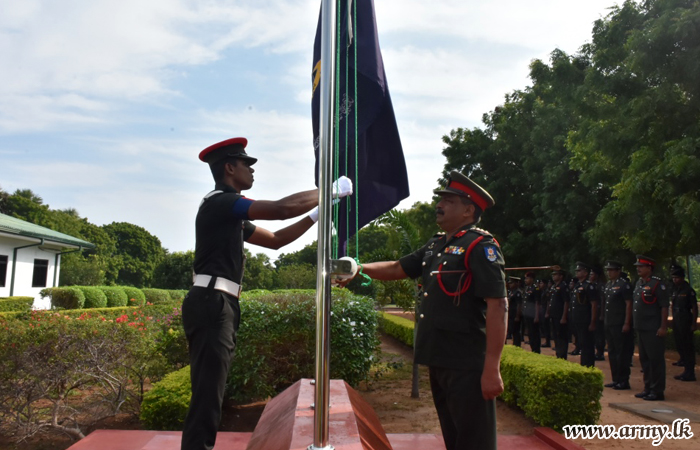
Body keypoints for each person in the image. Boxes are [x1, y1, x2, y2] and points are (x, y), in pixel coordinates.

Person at [180, 137, 352, 450]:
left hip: (220, 302)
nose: (252, 171)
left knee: (210, 393)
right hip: (211, 302)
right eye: (247, 164)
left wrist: (317, 213)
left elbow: (276, 240)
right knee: (207, 396)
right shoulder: (222, 201)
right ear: (230, 168)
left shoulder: (229, 212)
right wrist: (328, 189)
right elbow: (281, 210)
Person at [350, 170, 507, 450]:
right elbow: (399, 267)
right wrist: (358, 269)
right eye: (441, 199)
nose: (440, 205)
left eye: (449, 200)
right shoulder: (436, 244)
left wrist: (492, 368)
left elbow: (498, 304)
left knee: (475, 441)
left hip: (467, 362)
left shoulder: (479, 246)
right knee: (454, 436)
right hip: (439, 357)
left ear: (468, 210)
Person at [632, 255, 669, 401]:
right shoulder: (639, 284)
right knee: (644, 360)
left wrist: (663, 326)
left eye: (641, 266)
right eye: (637, 267)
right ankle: (648, 388)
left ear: (649, 268)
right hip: (641, 328)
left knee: (655, 360)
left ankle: (657, 390)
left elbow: (664, 306)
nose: (638, 269)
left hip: (653, 328)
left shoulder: (657, 284)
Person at [602, 260, 633, 390]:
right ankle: (616, 379)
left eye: (611, 270)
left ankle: (623, 380)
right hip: (610, 322)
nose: (609, 272)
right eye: (608, 270)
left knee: (622, 352)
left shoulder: (624, 285)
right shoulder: (609, 285)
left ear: (618, 271)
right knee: (612, 351)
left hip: (620, 323)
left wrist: (627, 322)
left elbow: (629, 304)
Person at [670, 267, 697, 382]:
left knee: (687, 346)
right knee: (680, 343)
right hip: (677, 319)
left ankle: (690, 372)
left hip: (685, 318)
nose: (675, 280)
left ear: (682, 278)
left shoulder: (688, 290)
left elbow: (694, 308)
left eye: (677, 278)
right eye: (674, 278)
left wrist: (694, 323)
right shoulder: (676, 290)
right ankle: (685, 368)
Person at [570, 262, 599, 367]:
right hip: (578, 319)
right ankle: (584, 365)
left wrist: (592, 322)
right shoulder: (578, 286)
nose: (577, 272)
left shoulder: (589, 286)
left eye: (579, 271)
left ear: (585, 273)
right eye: (576, 271)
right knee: (582, 344)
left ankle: (588, 366)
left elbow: (594, 305)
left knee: (587, 345)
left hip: (586, 320)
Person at [547, 267, 569, 359]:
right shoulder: (553, 286)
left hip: (560, 315)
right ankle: (558, 353)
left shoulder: (564, 286)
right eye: (553, 275)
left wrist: (564, 316)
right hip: (554, 315)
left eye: (555, 274)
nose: (553, 276)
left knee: (561, 336)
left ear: (561, 276)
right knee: (555, 335)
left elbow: (566, 302)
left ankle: (562, 355)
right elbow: (550, 301)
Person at [590, 266, 607, 361]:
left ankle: (600, 352)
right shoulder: (593, 284)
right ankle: (597, 351)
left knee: (600, 334)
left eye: (592, 274)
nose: (590, 276)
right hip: (594, 311)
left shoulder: (601, 285)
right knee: (595, 334)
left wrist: (601, 314)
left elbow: (602, 299)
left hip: (599, 311)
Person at [522, 272, 541, 353]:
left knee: (534, 333)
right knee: (530, 333)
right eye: (525, 278)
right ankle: (532, 348)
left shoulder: (535, 289)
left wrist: (537, 316)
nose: (525, 280)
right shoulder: (527, 288)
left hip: (533, 314)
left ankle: (536, 349)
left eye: (527, 278)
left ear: (532, 279)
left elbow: (537, 303)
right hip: (527, 314)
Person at [507, 276, 523, 347]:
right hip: (511, 314)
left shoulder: (518, 292)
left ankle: (517, 345)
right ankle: (514, 344)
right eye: (510, 283)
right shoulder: (511, 292)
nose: (510, 284)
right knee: (512, 330)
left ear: (517, 283)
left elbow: (519, 305)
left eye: (512, 283)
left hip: (515, 315)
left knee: (516, 331)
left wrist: (517, 316)